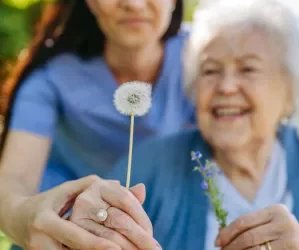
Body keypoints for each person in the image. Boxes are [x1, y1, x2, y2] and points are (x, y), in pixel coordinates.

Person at [66, 0, 299, 249]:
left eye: (248, 69)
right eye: (210, 71)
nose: (226, 87)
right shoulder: (150, 165)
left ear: (289, 90)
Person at [0, 0, 193, 249]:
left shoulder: (208, 58)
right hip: (63, 235)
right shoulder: (51, 79)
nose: (133, 4)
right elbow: (11, 182)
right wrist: (26, 221)